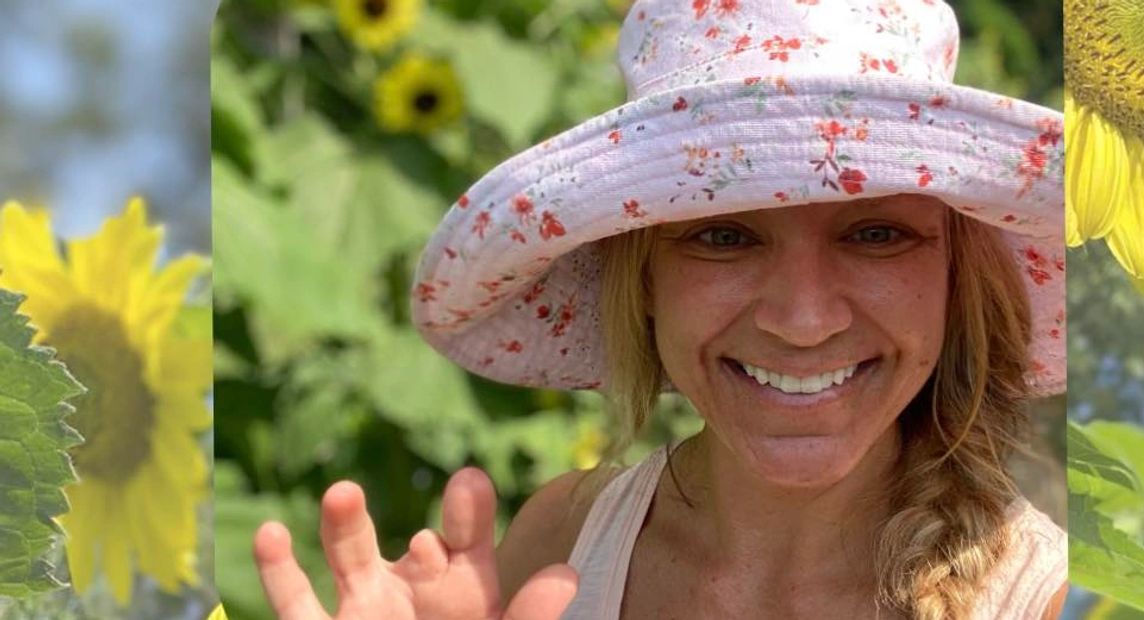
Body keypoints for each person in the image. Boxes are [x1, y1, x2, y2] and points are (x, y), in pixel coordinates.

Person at [253, 0, 1068, 618]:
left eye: (877, 233)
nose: (803, 318)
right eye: (722, 235)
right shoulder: (564, 543)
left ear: (959, 277)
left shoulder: (1059, 595)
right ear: (640, 281)